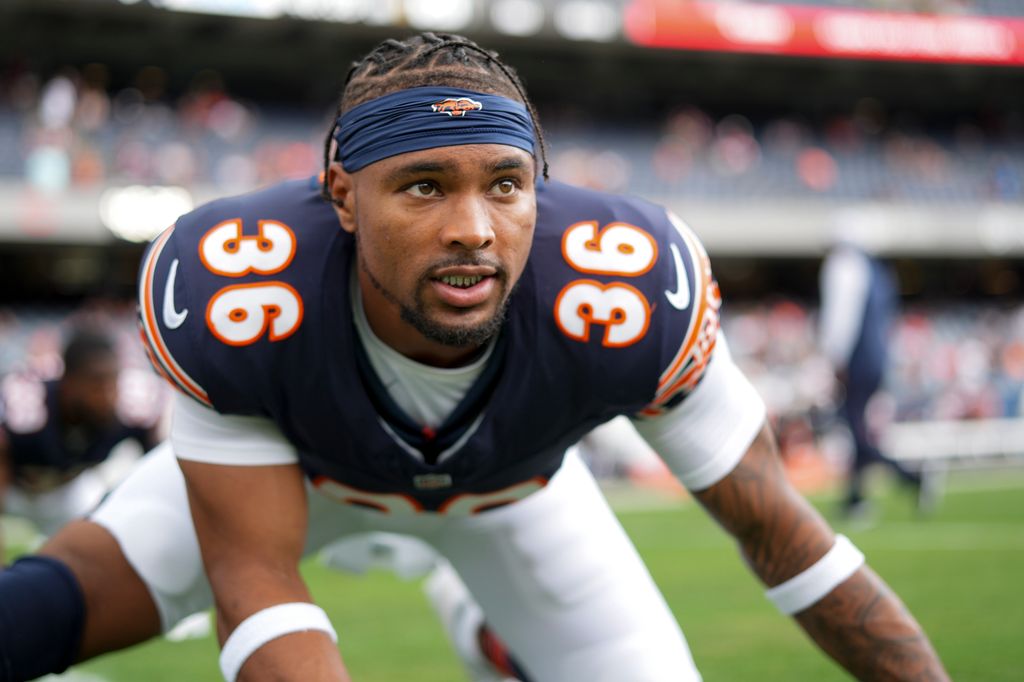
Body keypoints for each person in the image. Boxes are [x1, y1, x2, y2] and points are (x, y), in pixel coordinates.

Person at [0, 32, 948, 682]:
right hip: (293, 478)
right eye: (421, 186)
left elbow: (786, 537)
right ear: (341, 195)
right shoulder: (243, 289)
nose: (473, 230)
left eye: (506, 185)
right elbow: (256, 579)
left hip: (517, 503)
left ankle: (496, 631)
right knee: (36, 616)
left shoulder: (620, 287)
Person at [0, 328, 161, 558]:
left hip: (69, 492)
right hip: (17, 491)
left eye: (112, 383)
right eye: (96, 385)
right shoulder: (29, 406)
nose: (108, 395)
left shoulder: (131, 408)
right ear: (69, 382)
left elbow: (152, 464)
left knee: (98, 552)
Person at [819, 216, 926, 519]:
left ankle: (909, 476)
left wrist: (835, 358)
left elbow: (841, 318)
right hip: (876, 359)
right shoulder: (877, 270)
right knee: (856, 428)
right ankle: (856, 497)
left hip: (857, 359)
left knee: (854, 428)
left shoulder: (843, 266)